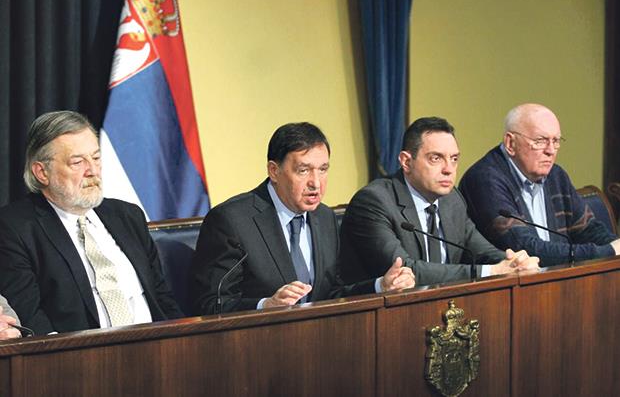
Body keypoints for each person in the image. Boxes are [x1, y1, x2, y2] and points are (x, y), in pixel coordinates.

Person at [190, 122, 415, 315]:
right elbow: (210, 304)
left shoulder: (325, 218)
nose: (316, 183)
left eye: (323, 169)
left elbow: (331, 294)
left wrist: (380, 286)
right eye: (303, 170)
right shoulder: (232, 221)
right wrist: (265, 306)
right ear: (274, 171)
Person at [0, 111, 183, 335]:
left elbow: (162, 298)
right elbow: (29, 316)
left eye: (96, 158)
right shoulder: (15, 228)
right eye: (77, 162)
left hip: (156, 345)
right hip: (81, 354)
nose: (93, 171)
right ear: (42, 172)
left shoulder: (128, 216)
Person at [339, 117, 539, 287]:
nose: (448, 169)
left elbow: (480, 251)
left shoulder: (452, 199)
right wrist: (491, 271)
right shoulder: (374, 202)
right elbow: (405, 271)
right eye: (436, 158)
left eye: (454, 159)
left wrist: (514, 262)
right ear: (406, 162)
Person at [459, 103, 620, 266]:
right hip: (513, 280)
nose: (551, 150)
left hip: (557, 275)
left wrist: (615, 246)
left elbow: (588, 230)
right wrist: (607, 251)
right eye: (540, 141)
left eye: (555, 141)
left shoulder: (556, 175)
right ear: (510, 143)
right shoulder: (484, 180)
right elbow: (524, 249)